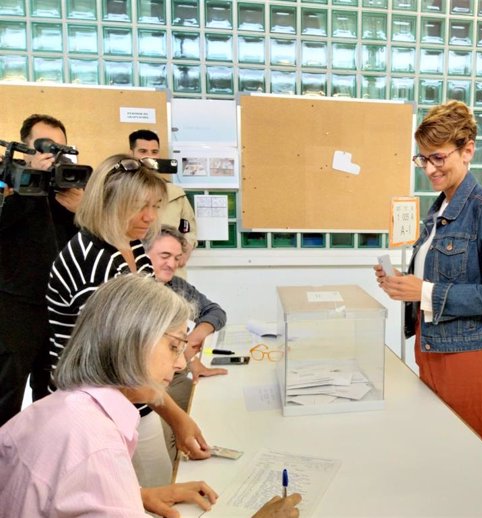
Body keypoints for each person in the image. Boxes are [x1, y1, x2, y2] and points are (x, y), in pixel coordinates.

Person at [0, 275, 302, 518]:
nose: (182, 363)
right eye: (174, 346)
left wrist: (136, 496)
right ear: (131, 341)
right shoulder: (97, 448)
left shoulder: (58, 408)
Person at [44, 153, 210, 488]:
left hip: (134, 398)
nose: (150, 217)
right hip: (100, 407)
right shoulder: (94, 264)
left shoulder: (130, 243)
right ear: (108, 202)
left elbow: (151, 328)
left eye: (155, 205)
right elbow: (118, 362)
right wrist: (177, 416)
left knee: (159, 484)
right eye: (139, 206)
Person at [374, 100, 482, 453]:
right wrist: (401, 283)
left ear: (467, 150)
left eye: (438, 157)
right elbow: (436, 277)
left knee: (474, 456)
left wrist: (425, 291)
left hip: (470, 357)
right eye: (423, 158)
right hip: (432, 347)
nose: (429, 169)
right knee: (440, 450)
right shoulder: (438, 208)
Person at [0, 114, 83, 426]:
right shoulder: (7, 180)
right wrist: (27, 187)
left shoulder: (69, 187)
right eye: (44, 147)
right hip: (13, 310)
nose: (52, 155)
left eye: (58, 148)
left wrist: (82, 209)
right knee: (6, 395)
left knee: (54, 398)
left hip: (60, 309)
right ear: (25, 149)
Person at [144, 225, 228, 461]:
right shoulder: (137, 293)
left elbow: (215, 312)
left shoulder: (177, 286)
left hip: (176, 376)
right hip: (148, 385)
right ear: (144, 253)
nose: (172, 264)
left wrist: (196, 336)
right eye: (164, 256)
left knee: (212, 408)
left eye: (177, 258)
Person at [129, 129, 197, 276]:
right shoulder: (122, 194)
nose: (149, 156)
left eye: (154, 152)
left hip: (172, 272)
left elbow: (189, 229)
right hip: (136, 271)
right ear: (132, 154)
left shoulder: (176, 194)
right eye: (143, 151)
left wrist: (184, 252)